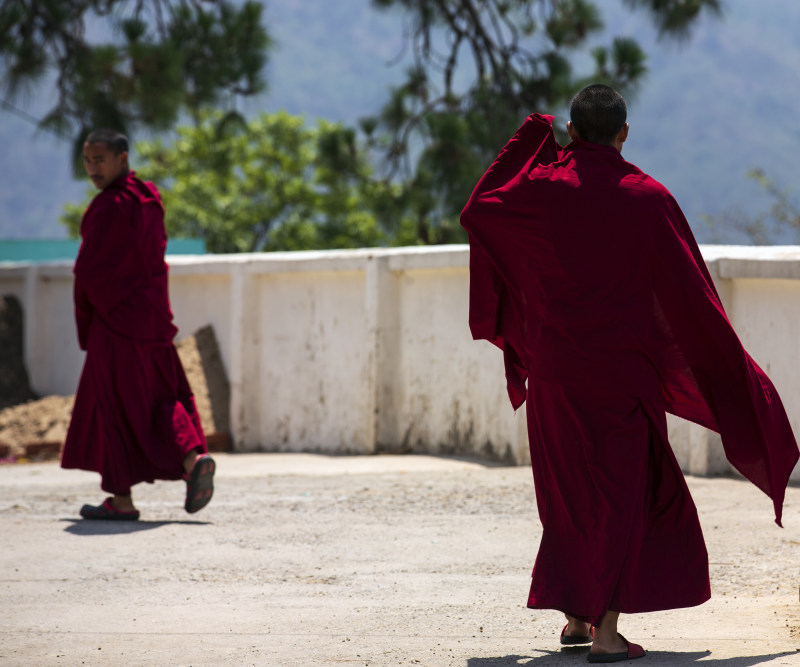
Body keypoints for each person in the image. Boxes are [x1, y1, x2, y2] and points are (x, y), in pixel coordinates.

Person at [460, 85, 799, 663]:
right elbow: (692, 296)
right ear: (623, 135)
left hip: (554, 374)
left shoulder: (539, 190)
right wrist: (731, 376)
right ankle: (606, 635)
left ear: (571, 131)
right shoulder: (648, 199)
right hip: (620, 377)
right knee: (622, 499)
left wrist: (528, 136)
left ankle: (573, 618)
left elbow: (478, 211)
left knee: (567, 496)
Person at [61, 128, 215, 521]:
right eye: (88, 161)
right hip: (153, 319)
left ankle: (122, 500)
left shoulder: (107, 207)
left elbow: (91, 273)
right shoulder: (149, 198)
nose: (93, 168)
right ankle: (191, 459)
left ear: (122, 159)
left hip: (116, 323)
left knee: (113, 407)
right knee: (161, 397)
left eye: (101, 160)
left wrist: (88, 319)